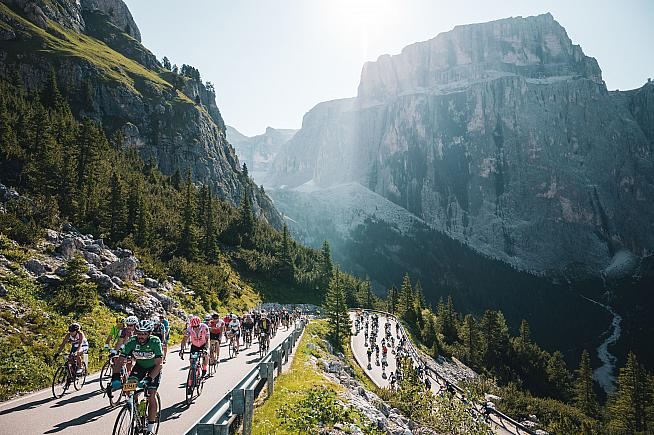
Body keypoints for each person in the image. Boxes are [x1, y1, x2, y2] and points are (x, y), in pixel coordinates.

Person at [110, 320, 163, 435]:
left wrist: (149, 379)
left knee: (151, 394)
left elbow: (159, 364)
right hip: (139, 367)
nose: (141, 336)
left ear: (149, 333)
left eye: (144, 334)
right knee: (129, 389)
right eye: (139, 333)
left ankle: (150, 428)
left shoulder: (155, 341)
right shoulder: (132, 341)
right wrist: (115, 378)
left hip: (154, 369)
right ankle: (137, 411)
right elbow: (120, 360)